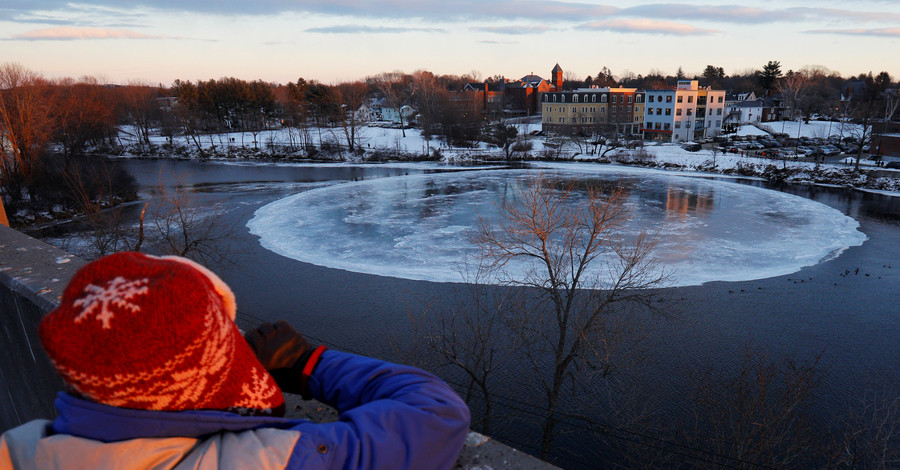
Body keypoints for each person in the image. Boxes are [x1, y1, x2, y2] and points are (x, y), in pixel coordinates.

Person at [0, 252, 470, 469]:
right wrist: (308, 362)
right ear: (210, 369)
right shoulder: (266, 461)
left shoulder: (18, 451)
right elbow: (436, 414)